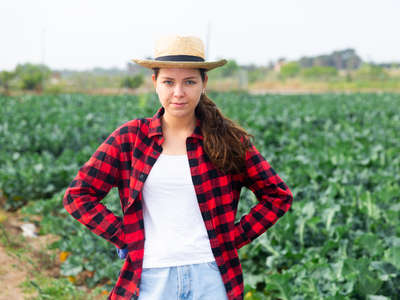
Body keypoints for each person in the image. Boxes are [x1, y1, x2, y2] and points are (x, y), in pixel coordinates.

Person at [63, 35, 293, 300]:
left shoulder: (228, 140)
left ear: (204, 83)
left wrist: (234, 237)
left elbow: (277, 195)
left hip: (212, 277)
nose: (178, 93)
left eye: (190, 82)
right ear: (155, 83)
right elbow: (78, 196)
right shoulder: (130, 138)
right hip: (151, 277)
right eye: (169, 82)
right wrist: (124, 235)